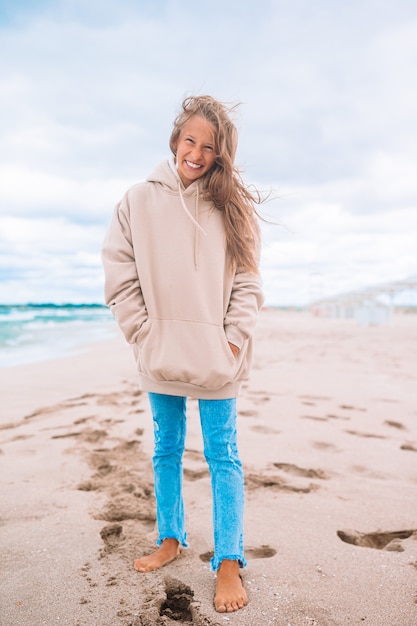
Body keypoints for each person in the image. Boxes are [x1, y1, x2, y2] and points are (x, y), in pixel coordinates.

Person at [101, 95, 264, 614]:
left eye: (209, 146)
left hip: (218, 359)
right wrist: (143, 334)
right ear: (175, 141)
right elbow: (119, 274)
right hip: (161, 354)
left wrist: (232, 340)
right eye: (189, 140)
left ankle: (229, 561)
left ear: (220, 155)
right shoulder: (136, 200)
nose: (196, 152)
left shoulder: (232, 207)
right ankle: (170, 538)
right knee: (166, 449)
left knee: (224, 456)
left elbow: (247, 282)